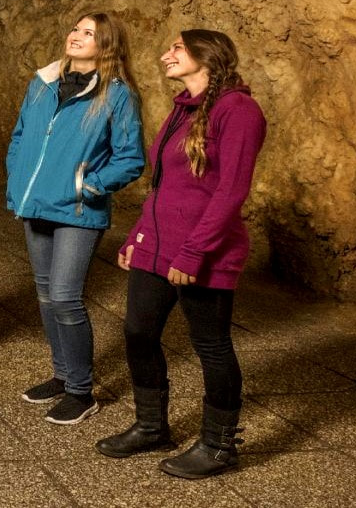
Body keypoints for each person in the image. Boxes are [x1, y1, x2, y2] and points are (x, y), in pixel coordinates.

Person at [95, 29, 267, 479]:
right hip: (158, 244)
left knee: (211, 345)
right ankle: (152, 426)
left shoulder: (238, 110)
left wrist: (193, 254)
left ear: (206, 55)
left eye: (176, 47)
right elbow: (163, 186)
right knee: (138, 332)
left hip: (203, 251)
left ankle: (219, 446)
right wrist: (137, 235)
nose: (165, 55)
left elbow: (231, 191)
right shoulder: (182, 108)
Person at [6, 13, 145, 426]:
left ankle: (81, 392)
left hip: (79, 211)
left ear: (107, 46)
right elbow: (20, 136)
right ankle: (63, 375)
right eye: (76, 29)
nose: (77, 36)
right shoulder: (42, 82)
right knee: (46, 295)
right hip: (36, 204)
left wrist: (89, 185)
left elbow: (130, 157)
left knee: (65, 296)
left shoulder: (117, 94)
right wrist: (17, 179)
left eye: (89, 33)